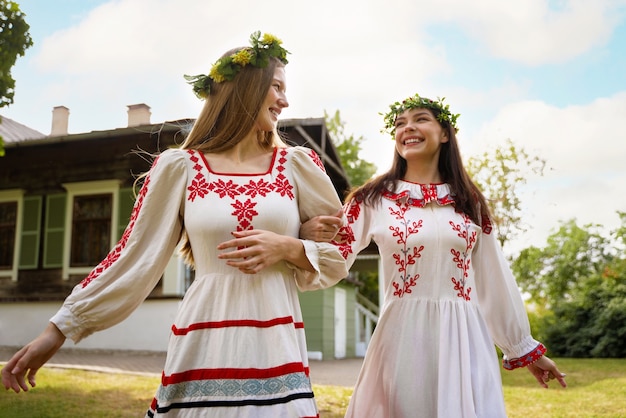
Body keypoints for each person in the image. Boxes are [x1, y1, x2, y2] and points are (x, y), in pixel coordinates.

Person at [1, 31, 349, 417]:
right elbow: (132, 257)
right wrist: (59, 330)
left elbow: (340, 250)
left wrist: (290, 247)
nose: (285, 100)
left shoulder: (296, 165)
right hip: (203, 339)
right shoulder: (179, 167)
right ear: (246, 90)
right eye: (277, 87)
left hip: (276, 343)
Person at [301, 93, 566, 417]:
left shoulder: (470, 202)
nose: (408, 127)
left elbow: (494, 279)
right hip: (403, 338)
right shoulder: (372, 199)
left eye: (420, 119)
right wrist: (299, 239)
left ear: (444, 133)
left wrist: (524, 348)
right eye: (400, 123)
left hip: (465, 337)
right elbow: (333, 255)